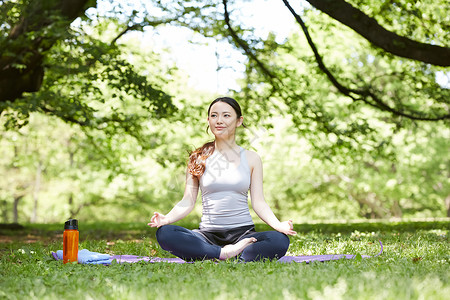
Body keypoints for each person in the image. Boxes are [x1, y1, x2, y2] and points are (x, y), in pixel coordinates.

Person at [148, 97, 296, 262]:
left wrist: (278, 226)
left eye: (226, 115)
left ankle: (220, 254)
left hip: (244, 236)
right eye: (214, 115)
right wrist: (166, 219)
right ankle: (223, 254)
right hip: (207, 236)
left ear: (239, 121)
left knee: (279, 240)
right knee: (165, 233)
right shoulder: (197, 158)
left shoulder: (252, 158)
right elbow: (187, 201)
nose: (219, 121)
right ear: (208, 120)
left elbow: (259, 202)